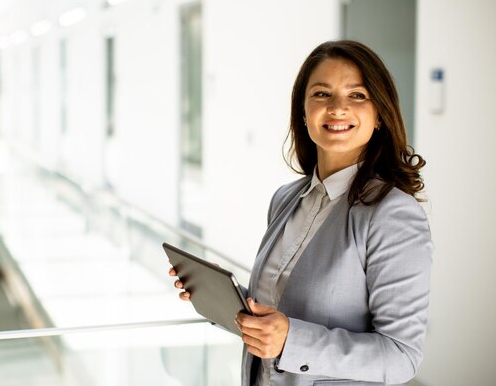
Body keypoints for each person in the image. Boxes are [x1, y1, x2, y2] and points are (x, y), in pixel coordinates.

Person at [170, 40, 433, 386]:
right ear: (303, 113)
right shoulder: (285, 199)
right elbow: (279, 312)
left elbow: (401, 356)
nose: (338, 108)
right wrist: (222, 298)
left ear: (380, 115)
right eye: (322, 95)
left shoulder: (393, 214)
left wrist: (291, 340)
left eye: (357, 96)